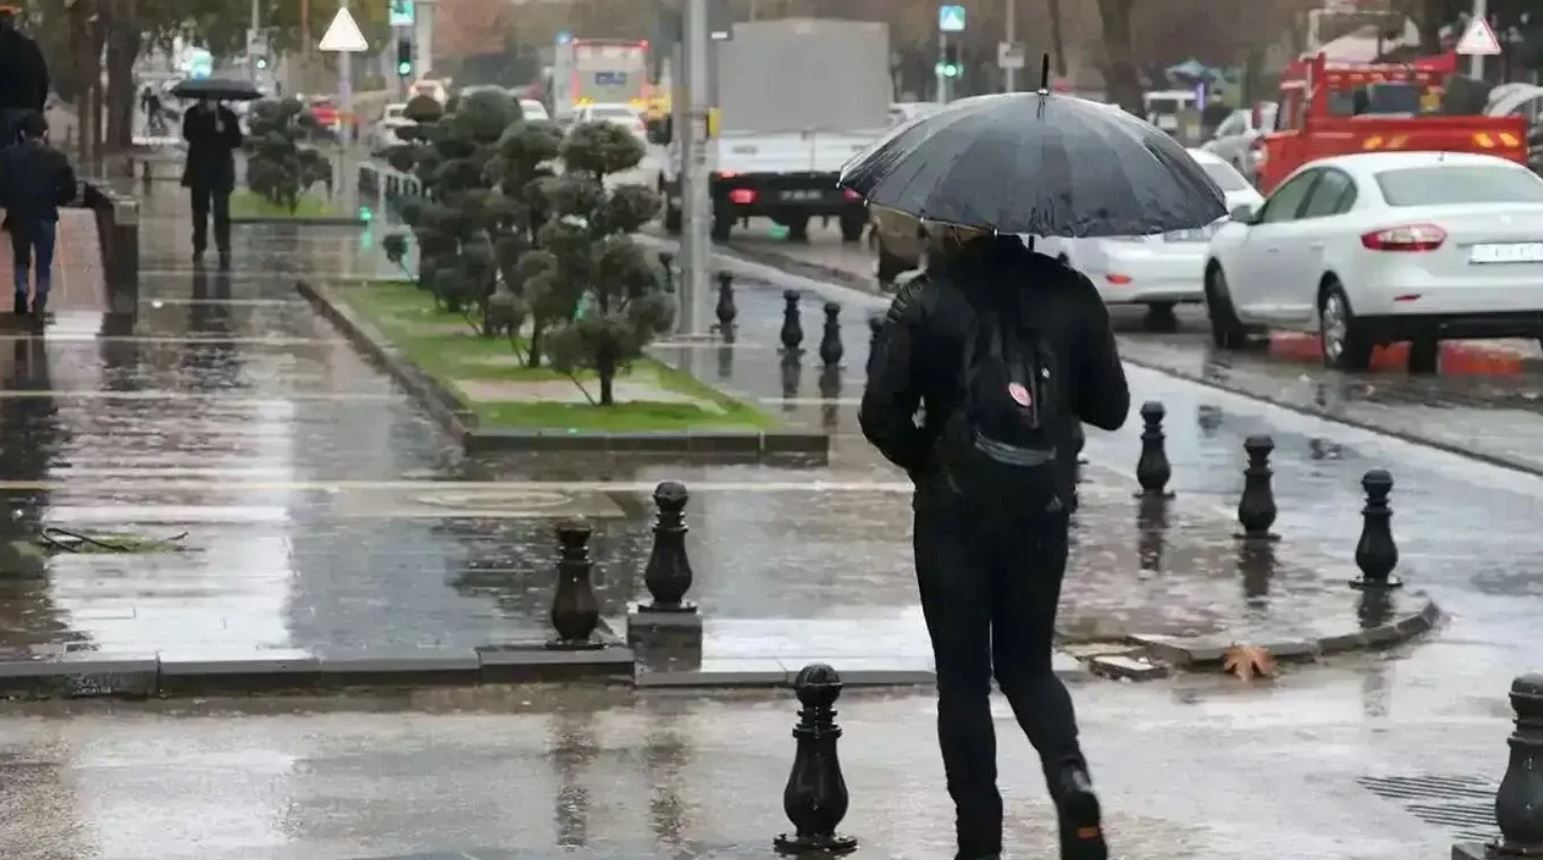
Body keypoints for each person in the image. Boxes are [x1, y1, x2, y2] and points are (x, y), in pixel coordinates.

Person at [860, 227, 1130, 860]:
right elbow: (1112, 406)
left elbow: (880, 413)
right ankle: (1071, 779)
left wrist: (927, 457)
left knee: (963, 681)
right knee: (1029, 666)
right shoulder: (1071, 292)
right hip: (1042, 506)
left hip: (953, 512)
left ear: (951, 224)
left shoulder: (924, 300)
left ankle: (978, 844)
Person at [0, 113, 77, 317]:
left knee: (21, 258)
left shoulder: (8, 156)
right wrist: (55, 199)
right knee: (44, 260)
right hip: (45, 215)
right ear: (45, 133)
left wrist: (9, 203)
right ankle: (41, 296)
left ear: (23, 133)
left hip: (19, 215)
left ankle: (21, 290)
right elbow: (71, 190)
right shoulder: (57, 158)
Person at [181, 98, 242, 269]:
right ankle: (199, 247)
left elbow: (236, 140)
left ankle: (224, 248)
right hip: (199, 168)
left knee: (221, 211)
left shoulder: (227, 115)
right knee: (200, 211)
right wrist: (205, 125)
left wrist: (223, 132)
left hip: (221, 169)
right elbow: (187, 134)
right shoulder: (193, 114)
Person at [0, 4, 49, 148]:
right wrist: (37, 108)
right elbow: (43, 79)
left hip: (5, 114)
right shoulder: (30, 46)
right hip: (30, 112)